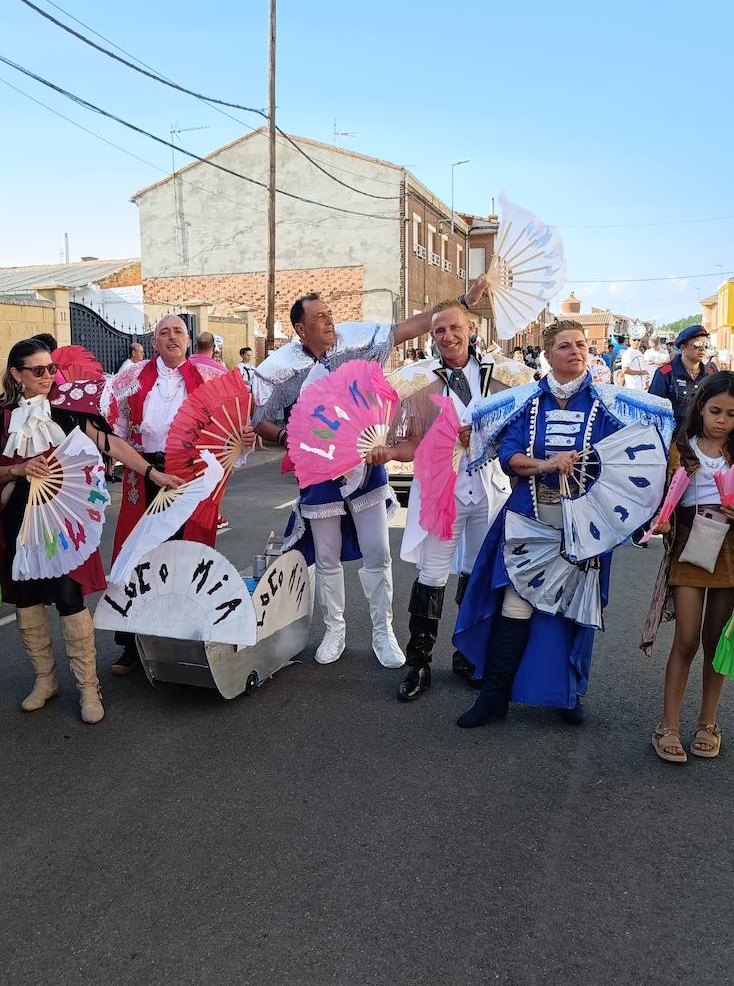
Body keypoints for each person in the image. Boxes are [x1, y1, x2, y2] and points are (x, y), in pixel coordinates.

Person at [251, 283, 493, 669]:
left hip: (367, 462)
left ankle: (384, 631)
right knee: (327, 555)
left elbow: (406, 329)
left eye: (330, 313)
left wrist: (462, 302)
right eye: (319, 317)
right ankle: (335, 631)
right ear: (300, 329)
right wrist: (284, 436)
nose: (330, 321)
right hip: (318, 471)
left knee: (378, 550)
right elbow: (254, 415)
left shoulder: (354, 340)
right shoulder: (280, 366)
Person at [454, 319, 675, 727]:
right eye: (564, 346)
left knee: (574, 607)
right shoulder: (526, 403)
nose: (575, 352)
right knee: (515, 604)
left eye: (580, 345)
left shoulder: (608, 405)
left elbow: (624, 459)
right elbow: (510, 457)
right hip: (528, 518)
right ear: (547, 355)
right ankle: (494, 697)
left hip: (586, 526)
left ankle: (568, 695)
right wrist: (545, 465)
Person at [0, 338, 179, 723]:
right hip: (19, 517)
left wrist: (152, 473)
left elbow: (113, 446)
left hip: (65, 519)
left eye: (51, 368)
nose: (49, 376)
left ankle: (88, 688)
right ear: (17, 375)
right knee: (27, 598)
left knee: (69, 597)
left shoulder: (68, 409)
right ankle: (45, 680)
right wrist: (19, 470)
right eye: (38, 371)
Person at [364, 300, 510, 700]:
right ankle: (419, 663)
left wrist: (481, 438)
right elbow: (413, 442)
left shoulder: (501, 377)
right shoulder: (419, 381)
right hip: (441, 492)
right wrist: (389, 452)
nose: (447, 336)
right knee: (432, 574)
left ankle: (468, 654)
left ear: (471, 329)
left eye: (454, 328)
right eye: (439, 331)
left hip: (487, 489)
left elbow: (514, 435)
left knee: (477, 574)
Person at [108, 314, 241, 673]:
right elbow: (114, 430)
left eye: (177, 331)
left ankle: (186, 635)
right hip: (145, 471)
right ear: (153, 342)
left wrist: (242, 439)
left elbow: (232, 422)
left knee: (186, 552)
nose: (171, 337)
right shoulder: (130, 379)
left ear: (188, 339)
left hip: (190, 475)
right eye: (163, 332)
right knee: (140, 554)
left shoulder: (210, 378)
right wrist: (140, 465)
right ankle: (134, 644)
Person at [646, 372, 734, 763]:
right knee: (687, 638)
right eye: (714, 411)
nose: (721, 420)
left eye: (731, 413)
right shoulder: (679, 449)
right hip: (688, 547)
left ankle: (708, 723)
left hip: (729, 550)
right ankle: (668, 725)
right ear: (699, 408)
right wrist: (659, 519)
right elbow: (656, 497)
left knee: (717, 643)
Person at [650, 325, 716, 422]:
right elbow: (653, 406)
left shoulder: (710, 374)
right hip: (673, 432)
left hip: (702, 432)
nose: (702, 349)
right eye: (697, 345)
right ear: (683, 347)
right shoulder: (665, 372)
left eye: (706, 345)